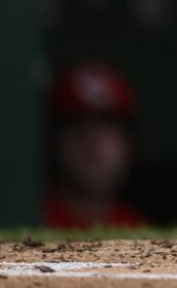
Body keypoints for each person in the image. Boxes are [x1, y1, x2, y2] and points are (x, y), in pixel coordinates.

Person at [43, 62, 146, 230]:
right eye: (77, 125)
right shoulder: (31, 219)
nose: (93, 141)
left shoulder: (138, 227)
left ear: (129, 143)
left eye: (107, 126)